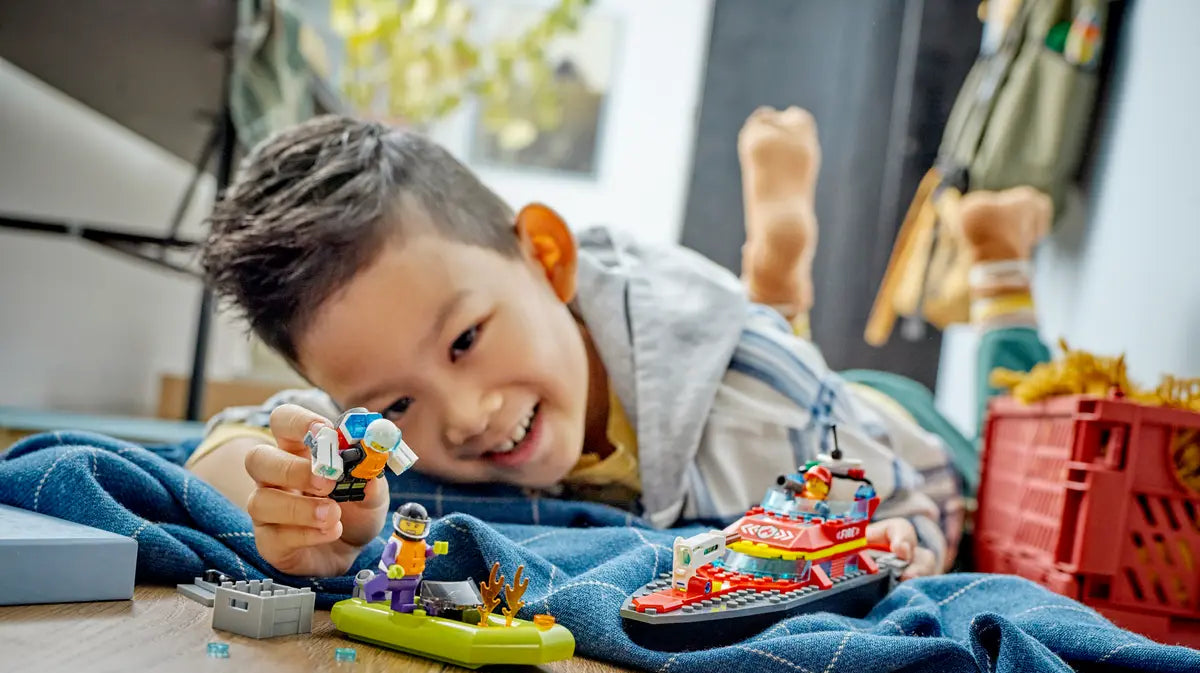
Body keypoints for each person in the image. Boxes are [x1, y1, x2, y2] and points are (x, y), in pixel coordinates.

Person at [187, 113, 964, 580]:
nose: (461, 418)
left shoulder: (763, 398)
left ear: (547, 258)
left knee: (885, 393)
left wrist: (898, 543)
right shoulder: (377, 396)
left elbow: (915, 503)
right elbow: (234, 447)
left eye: (465, 341)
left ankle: (777, 279)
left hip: (883, 424)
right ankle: (775, 283)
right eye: (394, 403)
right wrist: (295, 505)